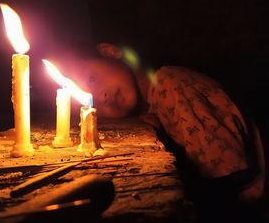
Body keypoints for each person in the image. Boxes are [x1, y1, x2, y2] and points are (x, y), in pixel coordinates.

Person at [67, 42, 266, 221]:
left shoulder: (170, 85)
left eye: (92, 79)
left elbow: (230, 178)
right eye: (90, 101)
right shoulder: (153, 102)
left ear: (109, 51)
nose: (102, 99)